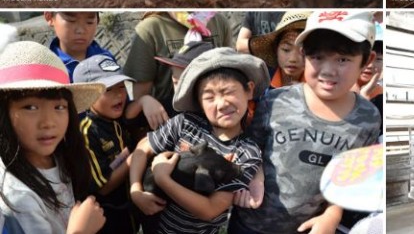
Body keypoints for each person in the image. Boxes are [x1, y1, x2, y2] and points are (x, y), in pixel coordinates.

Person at [228, 10, 381, 234]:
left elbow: (350, 177)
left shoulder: (368, 118)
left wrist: (332, 214)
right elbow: (249, 147)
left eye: (343, 59)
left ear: (367, 60)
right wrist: (254, 174)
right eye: (317, 57)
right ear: (304, 54)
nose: (328, 71)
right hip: (249, 224)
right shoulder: (274, 100)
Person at [128, 48, 268, 234]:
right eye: (209, 97)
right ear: (198, 102)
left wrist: (163, 179)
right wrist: (136, 190)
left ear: (249, 90)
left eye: (228, 91)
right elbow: (142, 148)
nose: (221, 104)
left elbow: (210, 210)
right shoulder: (184, 123)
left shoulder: (247, 152)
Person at [0, 41, 106, 234]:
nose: (48, 122)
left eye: (59, 107)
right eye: (31, 107)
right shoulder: (17, 197)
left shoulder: (60, 155)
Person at [122, 12, 232, 131]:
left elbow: (229, 74)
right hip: (168, 122)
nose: (176, 79)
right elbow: (140, 101)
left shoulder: (218, 21)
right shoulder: (151, 28)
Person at [74, 55, 141, 234]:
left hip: (129, 213)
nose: (119, 94)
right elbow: (103, 187)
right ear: (86, 95)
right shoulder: (87, 132)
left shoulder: (120, 120)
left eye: (122, 87)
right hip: (108, 221)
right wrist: (137, 156)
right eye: (109, 89)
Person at [247, 11, 310, 88]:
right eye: (286, 49)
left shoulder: (320, 87)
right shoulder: (259, 83)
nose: (293, 59)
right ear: (276, 49)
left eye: (302, 51)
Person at [45, 11, 111, 80]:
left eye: (89, 22)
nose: (81, 30)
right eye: (71, 20)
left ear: (98, 21)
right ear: (49, 17)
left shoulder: (107, 58)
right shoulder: (44, 67)